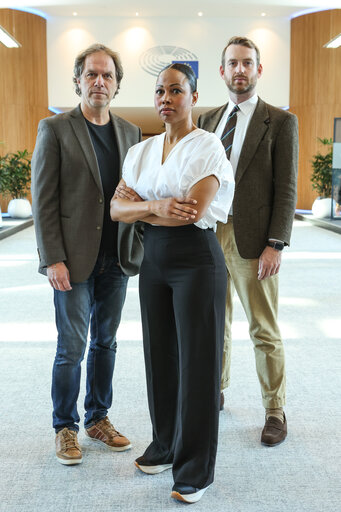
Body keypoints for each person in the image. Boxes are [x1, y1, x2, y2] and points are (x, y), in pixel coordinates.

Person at [110, 63, 234, 503]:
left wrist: (141, 205)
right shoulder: (140, 152)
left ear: (194, 97)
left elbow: (194, 210)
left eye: (176, 90)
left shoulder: (208, 146)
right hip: (155, 260)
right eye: (160, 91)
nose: (166, 98)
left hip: (197, 261)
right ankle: (165, 446)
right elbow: (115, 210)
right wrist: (158, 205)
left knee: (197, 365)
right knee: (159, 359)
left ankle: (196, 468)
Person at [31, 44, 143, 465]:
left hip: (116, 258)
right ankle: (65, 427)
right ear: (78, 80)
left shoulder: (131, 133)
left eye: (108, 75)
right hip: (73, 259)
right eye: (92, 74)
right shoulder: (55, 128)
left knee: (107, 343)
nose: (100, 82)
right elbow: (43, 200)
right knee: (72, 345)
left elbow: (137, 194)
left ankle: (98, 418)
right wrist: (52, 258)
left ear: (116, 84)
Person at [197, 36, 298, 446]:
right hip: (208, 233)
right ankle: (216, 390)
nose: (240, 70)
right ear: (221, 71)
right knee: (213, 322)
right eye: (232, 64)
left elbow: (287, 188)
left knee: (263, 327)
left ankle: (275, 408)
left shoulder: (280, 121)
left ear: (258, 69)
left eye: (247, 63)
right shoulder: (207, 120)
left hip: (254, 237)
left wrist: (276, 243)